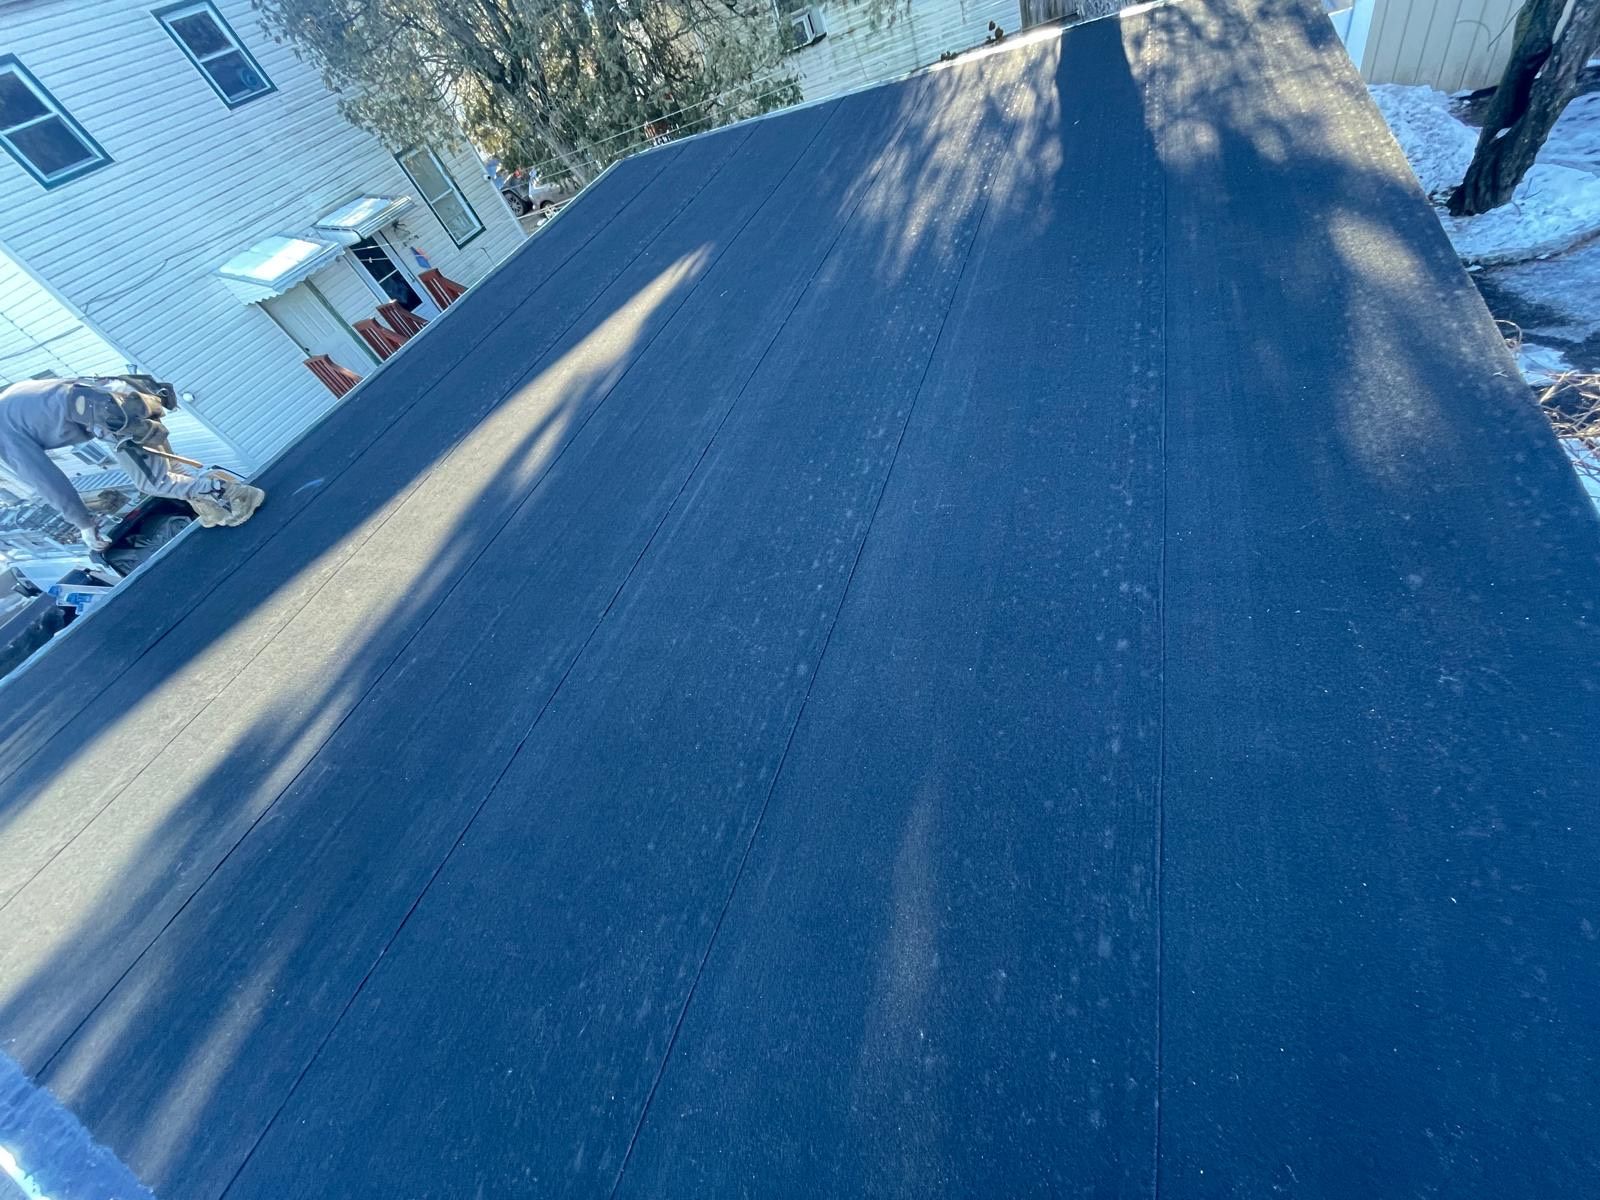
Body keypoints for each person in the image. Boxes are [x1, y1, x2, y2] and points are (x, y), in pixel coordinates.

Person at [0, 376, 264, 552]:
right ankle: (213, 508)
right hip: (127, 396)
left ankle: (235, 495)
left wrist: (83, 523)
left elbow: (47, 482)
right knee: (170, 470)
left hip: (113, 416)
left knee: (154, 482)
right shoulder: (11, 396)